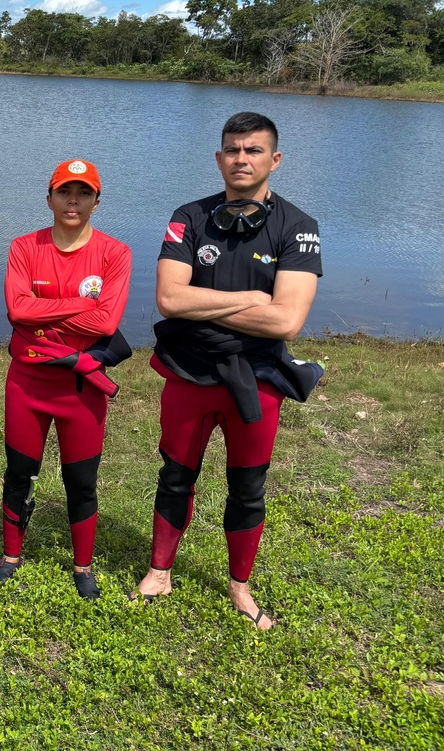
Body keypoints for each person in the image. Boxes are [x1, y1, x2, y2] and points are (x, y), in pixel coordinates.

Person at [133, 112, 323, 630]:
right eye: (233, 150)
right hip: (189, 373)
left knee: (249, 487)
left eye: (254, 150)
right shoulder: (189, 217)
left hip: (257, 380)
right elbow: (170, 298)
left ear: (274, 160)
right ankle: (159, 571)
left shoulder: (299, 227)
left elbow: (286, 318)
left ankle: (240, 585)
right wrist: (246, 298)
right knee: (175, 476)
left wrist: (205, 302)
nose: (242, 159)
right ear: (219, 158)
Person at [0, 159, 132, 599]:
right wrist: (81, 308)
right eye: (64, 192)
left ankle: (83, 566)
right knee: (19, 473)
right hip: (28, 384)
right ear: (48, 197)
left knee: (81, 480)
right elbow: (17, 311)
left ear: (96, 201)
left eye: (83, 193)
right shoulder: (24, 248)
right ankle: (11, 555)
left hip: (81, 389)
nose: (73, 200)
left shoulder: (115, 253)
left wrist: (45, 312)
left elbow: (108, 323)